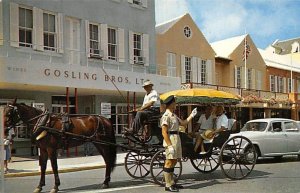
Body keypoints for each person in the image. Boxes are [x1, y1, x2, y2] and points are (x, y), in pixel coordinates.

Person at [161, 95, 197, 192]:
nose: (176, 104)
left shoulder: (174, 115)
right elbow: (164, 132)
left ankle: (172, 182)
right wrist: (169, 145)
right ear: (171, 104)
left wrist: (191, 116)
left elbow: (184, 123)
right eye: (175, 102)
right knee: (169, 161)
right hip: (171, 138)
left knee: (174, 161)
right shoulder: (166, 116)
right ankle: (167, 185)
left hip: (176, 138)